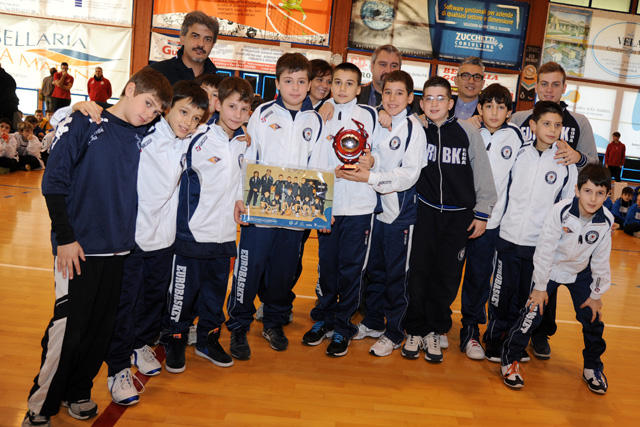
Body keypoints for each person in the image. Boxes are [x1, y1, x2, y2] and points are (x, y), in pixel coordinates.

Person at [22, 66, 171, 427]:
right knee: (68, 330)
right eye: (148, 103)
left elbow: (186, 121)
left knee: (99, 331)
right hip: (78, 249)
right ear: (130, 89)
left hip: (120, 251)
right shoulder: (85, 122)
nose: (150, 114)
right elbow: (54, 182)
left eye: (157, 111)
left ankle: (78, 391)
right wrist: (65, 238)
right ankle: (41, 405)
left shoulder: (142, 133)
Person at [104, 80, 208, 406]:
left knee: (153, 299)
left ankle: (139, 344)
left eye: (196, 118)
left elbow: (222, 134)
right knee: (126, 305)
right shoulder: (144, 134)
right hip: (133, 239)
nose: (188, 122)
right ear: (167, 109)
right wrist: (82, 107)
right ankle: (117, 368)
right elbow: (111, 120)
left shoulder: (188, 141)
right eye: (183, 112)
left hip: (163, 241)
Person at [225, 53, 323, 360]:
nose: (295, 87)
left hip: (295, 215)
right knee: (249, 269)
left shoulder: (316, 120)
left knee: (283, 272)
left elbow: (318, 166)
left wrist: (319, 209)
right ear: (277, 83)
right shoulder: (263, 113)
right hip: (259, 210)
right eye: (288, 81)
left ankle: (273, 322)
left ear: (310, 85)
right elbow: (249, 157)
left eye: (301, 81)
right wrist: (241, 196)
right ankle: (238, 325)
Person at [402, 76, 496, 363]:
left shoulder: (468, 132)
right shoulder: (416, 129)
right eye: (429, 98)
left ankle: (435, 329)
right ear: (421, 104)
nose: (434, 104)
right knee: (419, 272)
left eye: (440, 98)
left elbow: (483, 174)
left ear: (451, 103)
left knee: (447, 275)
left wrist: (483, 212)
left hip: (458, 217)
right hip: (425, 212)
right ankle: (414, 329)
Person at [510, 61, 598, 359]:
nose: (549, 89)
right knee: (519, 277)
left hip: (560, 219)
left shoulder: (579, 123)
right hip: (521, 216)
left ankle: (540, 333)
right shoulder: (520, 118)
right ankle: (512, 328)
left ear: (564, 88)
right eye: (544, 84)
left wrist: (578, 157)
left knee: (548, 277)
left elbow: (594, 165)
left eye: (555, 84)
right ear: (536, 87)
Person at [164, 77, 253, 373]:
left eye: (243, 109)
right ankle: (175, 338)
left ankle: (208, 339)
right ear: (217, 104)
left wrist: (240, 198)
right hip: (191, 233)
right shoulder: (196, 135)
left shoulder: (243, 143)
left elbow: (241, 178)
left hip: (225, 234)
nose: (237, 114)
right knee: (183, 293)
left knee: (215, 295)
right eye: (231, 106)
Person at [500, 164, 613, 394]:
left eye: (600, 193)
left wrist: (596, 294)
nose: (593, 199)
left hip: (579, 272)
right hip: (550, 269)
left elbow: (601, 260)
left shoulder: (606, 221)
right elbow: (544, 249)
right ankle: (510, 360)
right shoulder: (560, 211)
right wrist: (540, 287)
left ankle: (592, 367)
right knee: (531, 314)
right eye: (588, 191)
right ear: (577, 190)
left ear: (607, 195)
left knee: (593, 319)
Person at [483, 101, 578, 363]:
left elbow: (567, 206)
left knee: (525, 299)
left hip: (538, 245)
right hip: (508, 237)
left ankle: (515, 343)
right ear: (533, 126)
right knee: (501, 294)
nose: (552, 129)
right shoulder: (518, 154)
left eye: (557, 125)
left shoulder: (566, 164)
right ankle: (494, 340)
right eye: (546, 124)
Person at [342, 70, 427, 357]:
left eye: (399, 93)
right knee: (375, 272)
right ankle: (374, 322)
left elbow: (409, 174)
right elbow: (377, 155)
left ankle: (395, 332)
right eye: (388, 92)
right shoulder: (380, 122)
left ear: (410, 98)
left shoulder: (414, 129)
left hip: (400, 213)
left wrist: (372, 177)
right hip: (375, 210)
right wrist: (372, 161)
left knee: (396, 275)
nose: (392, 98)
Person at [303, 62, 379, 357]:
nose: (342, 88)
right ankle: (324, 318)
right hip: (329, 204)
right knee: (327, 267)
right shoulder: (320, 115)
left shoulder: (371, 115)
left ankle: (343, 326)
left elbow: (380, 152)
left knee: (351, 269)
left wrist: (373, 160)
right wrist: (321, 204)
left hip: (359, 206)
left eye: (349, 83)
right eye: (337, 82)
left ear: (359, 88)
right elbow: (313, 162)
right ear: (330, 85)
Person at [459, 83, 524, 360]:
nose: (494, 112)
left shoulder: (517, 137)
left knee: (478, 277)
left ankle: (471, 329)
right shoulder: (468, 130)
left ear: (509, 112)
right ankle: (435, 324)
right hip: (459, 217)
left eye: (500, 107)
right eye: (489, 106)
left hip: (491, 223)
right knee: (450, 274)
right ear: (479, 109)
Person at [150, 11, 219, 84]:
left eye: (207, 39)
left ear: (213, 45)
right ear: (182, 38)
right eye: (195, 36)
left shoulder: (219, 84)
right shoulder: (156, 74)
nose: (201, 44)